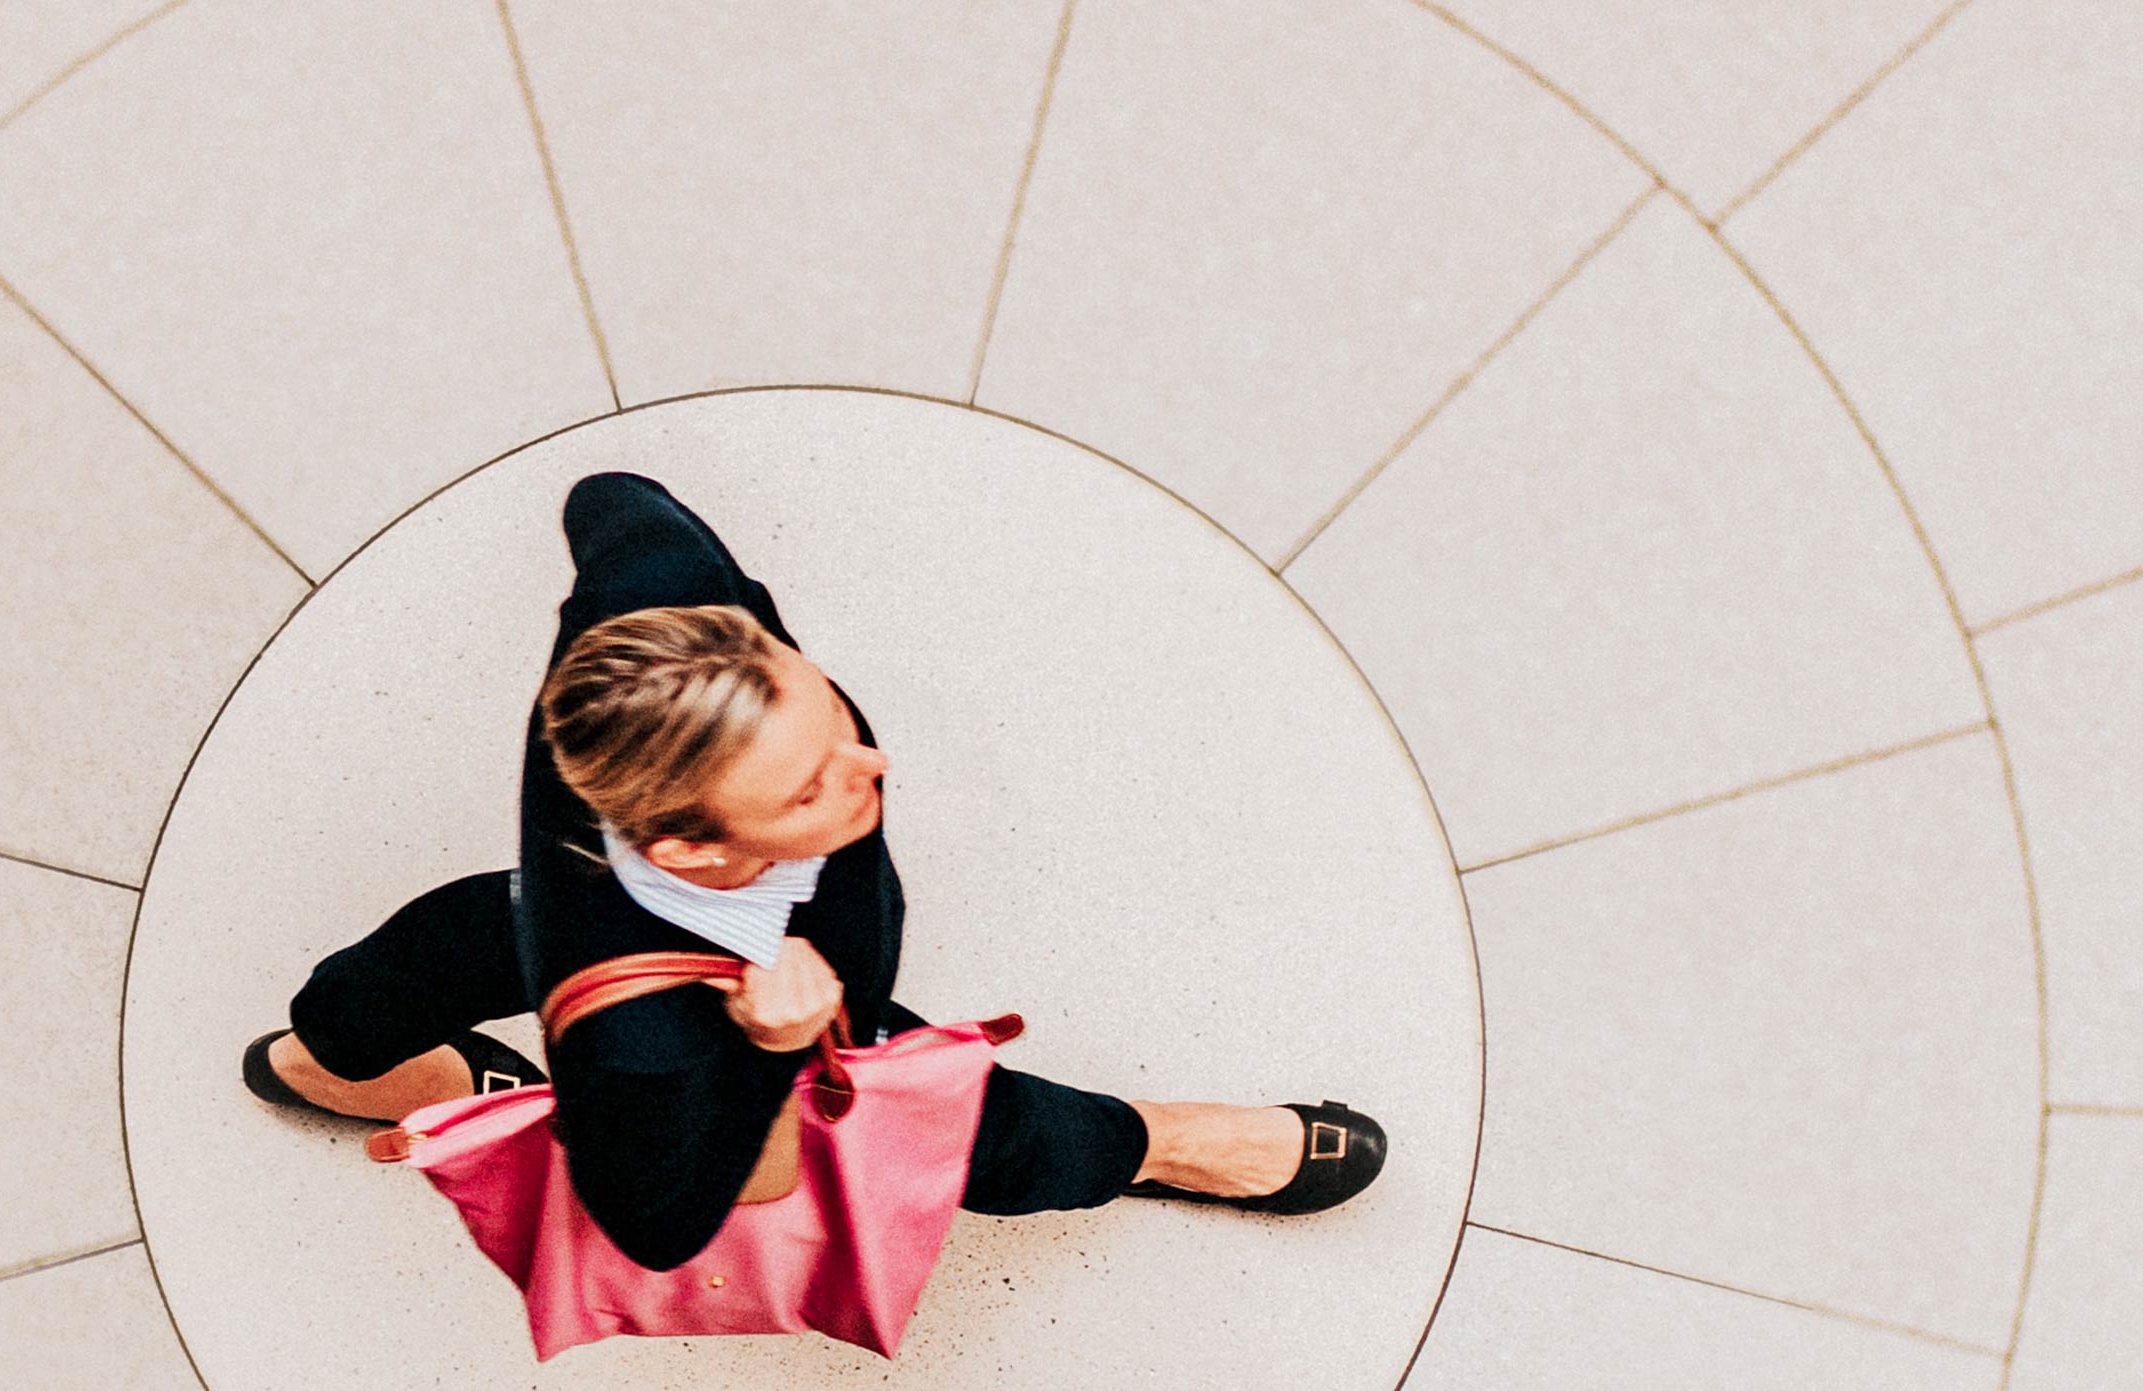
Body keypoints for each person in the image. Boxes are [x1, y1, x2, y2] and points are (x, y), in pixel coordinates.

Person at [243, 470, 1384, 1272]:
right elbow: (656, 1223)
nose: (869, 765)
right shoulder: (641, 1036)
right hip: (714, 1001)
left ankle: (330, 1051)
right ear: (693, 846)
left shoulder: (667, 597)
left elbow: (615, 500)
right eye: (806, 789)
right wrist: (773, 1047)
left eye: (822, 703)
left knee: (441, 949)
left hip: (562, 892)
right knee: (948, 1123)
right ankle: (1163, 1143)